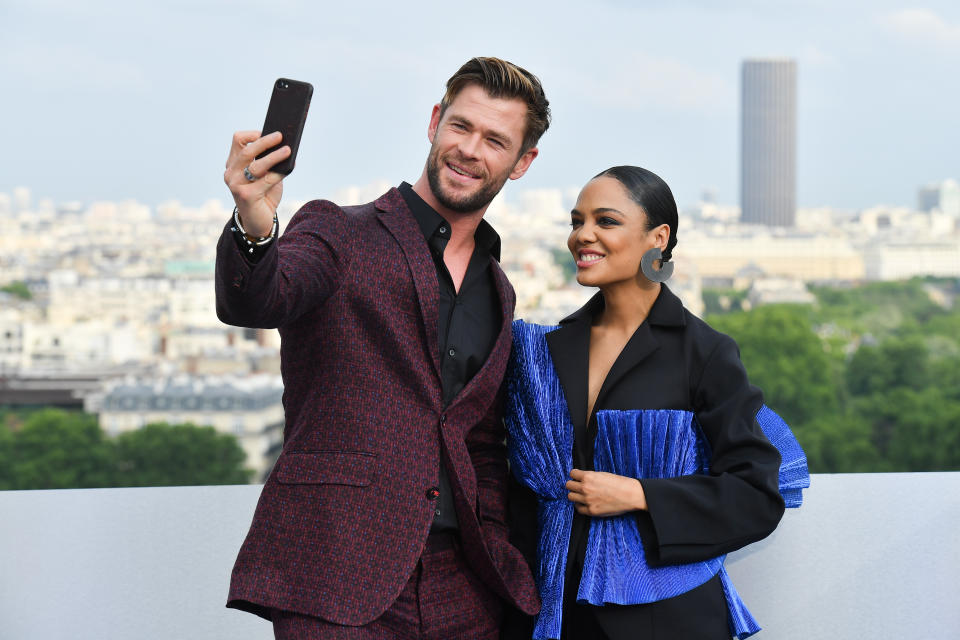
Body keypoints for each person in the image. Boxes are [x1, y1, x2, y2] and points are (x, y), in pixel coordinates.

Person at [216, 57, 550, 639]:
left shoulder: (497, 288)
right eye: (461, 126)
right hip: (337, 573)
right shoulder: (337, 230)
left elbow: (481, 438)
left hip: (463, 587)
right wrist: (252, 223)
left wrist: (496, 543)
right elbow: (260, 300)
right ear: (433, 123)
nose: (470, 149)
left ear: (521, 163)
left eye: (495, 140)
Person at [502, 166, 807, 640]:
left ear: (657, 238)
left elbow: (757, 495)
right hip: (555, 616)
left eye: (606, 221)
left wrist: (639, 495)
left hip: (669, 621)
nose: (584, 235)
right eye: (576, 221)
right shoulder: (544, 350)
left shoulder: (703, 352)